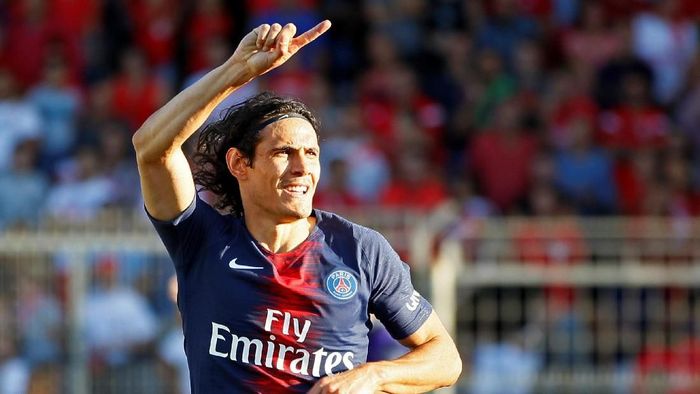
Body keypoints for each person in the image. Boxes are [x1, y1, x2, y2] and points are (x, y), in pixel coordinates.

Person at [132, 20, 461, 393]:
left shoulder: (359, 250)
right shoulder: (202, 240)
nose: (303, 168)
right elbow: (151, 149)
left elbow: (445, 357)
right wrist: (235, 72)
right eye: (283, 153)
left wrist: (373, 375)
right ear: (241, 164)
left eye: (311, 153)